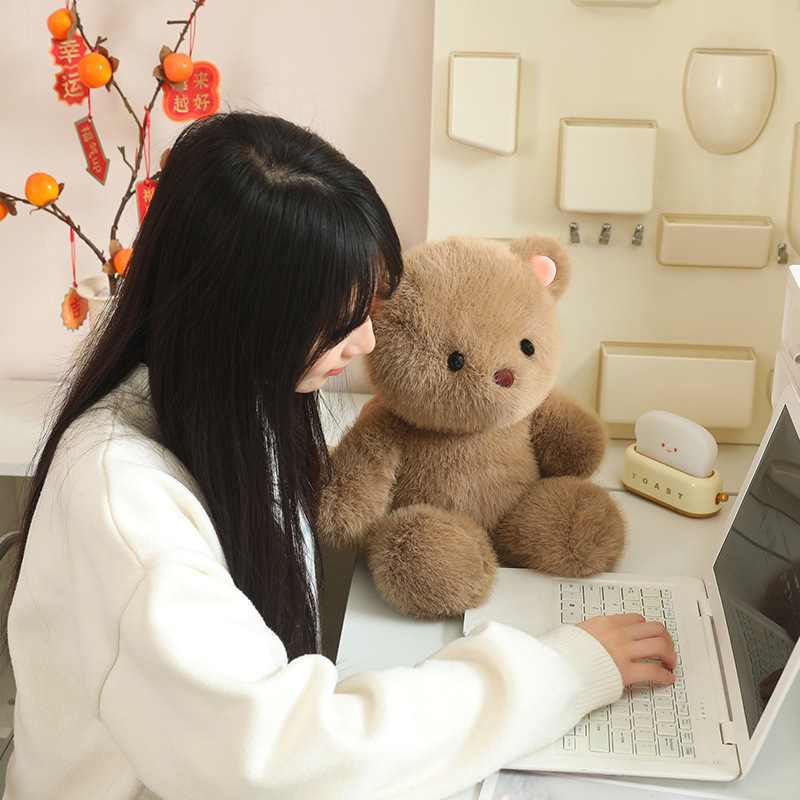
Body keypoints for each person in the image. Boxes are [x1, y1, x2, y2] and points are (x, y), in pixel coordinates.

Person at [2, 112, 676, 800]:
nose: (365, 343)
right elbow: (280, 760)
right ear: (245, 319)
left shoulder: (234, 404)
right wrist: (560, 673)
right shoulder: (124, 507)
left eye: (369, 307)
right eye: (336, 323)